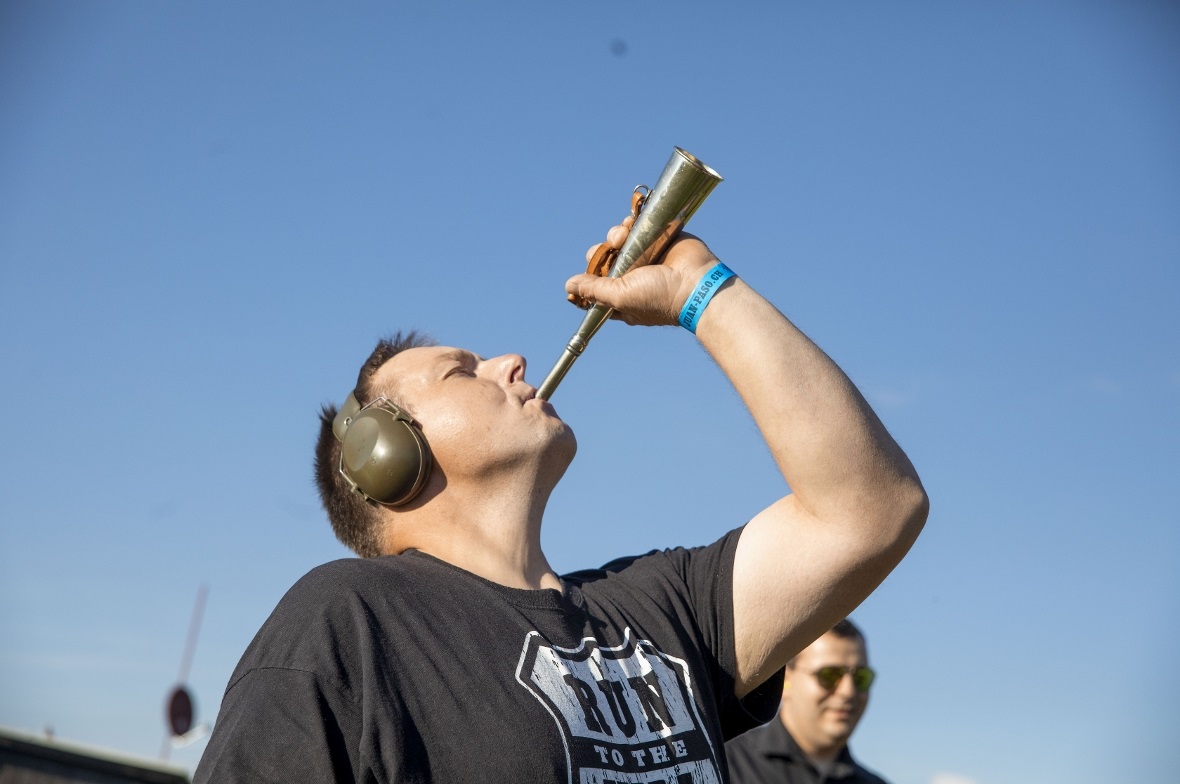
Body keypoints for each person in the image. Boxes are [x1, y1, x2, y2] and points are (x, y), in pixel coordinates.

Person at [193, 216, 928, 783]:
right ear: (383, 455)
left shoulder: (666, 608)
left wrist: (700, 288)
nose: (509, 361)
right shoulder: (347, 621)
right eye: (462, 372)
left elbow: (870, 509)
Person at [725, 619, 890, 784]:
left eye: (861, 678)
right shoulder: (726, 764)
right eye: (829, 676)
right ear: (785, 680)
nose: (848, 692)